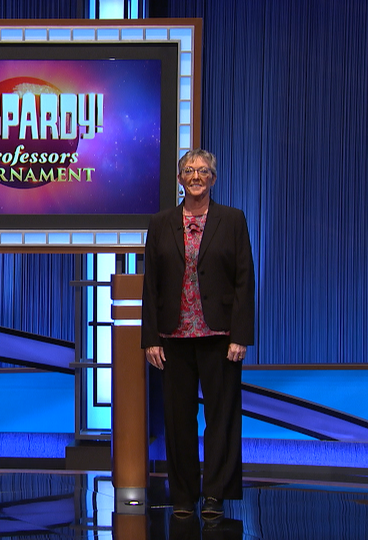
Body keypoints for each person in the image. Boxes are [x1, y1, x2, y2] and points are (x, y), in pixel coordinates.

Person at [141, 149, 255, 520]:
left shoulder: (232, 220)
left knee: (221, 418)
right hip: (173, 336)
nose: (196, 176)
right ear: (180, 178)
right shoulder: (160, 223)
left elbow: (244, 281)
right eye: (189, 170)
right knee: (178, 419)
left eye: (203, 171)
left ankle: (215, 495)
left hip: (220, 336)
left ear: (213, 178)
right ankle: (184, 496)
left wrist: (241, 335)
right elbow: (151, 285)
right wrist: (150, 338)